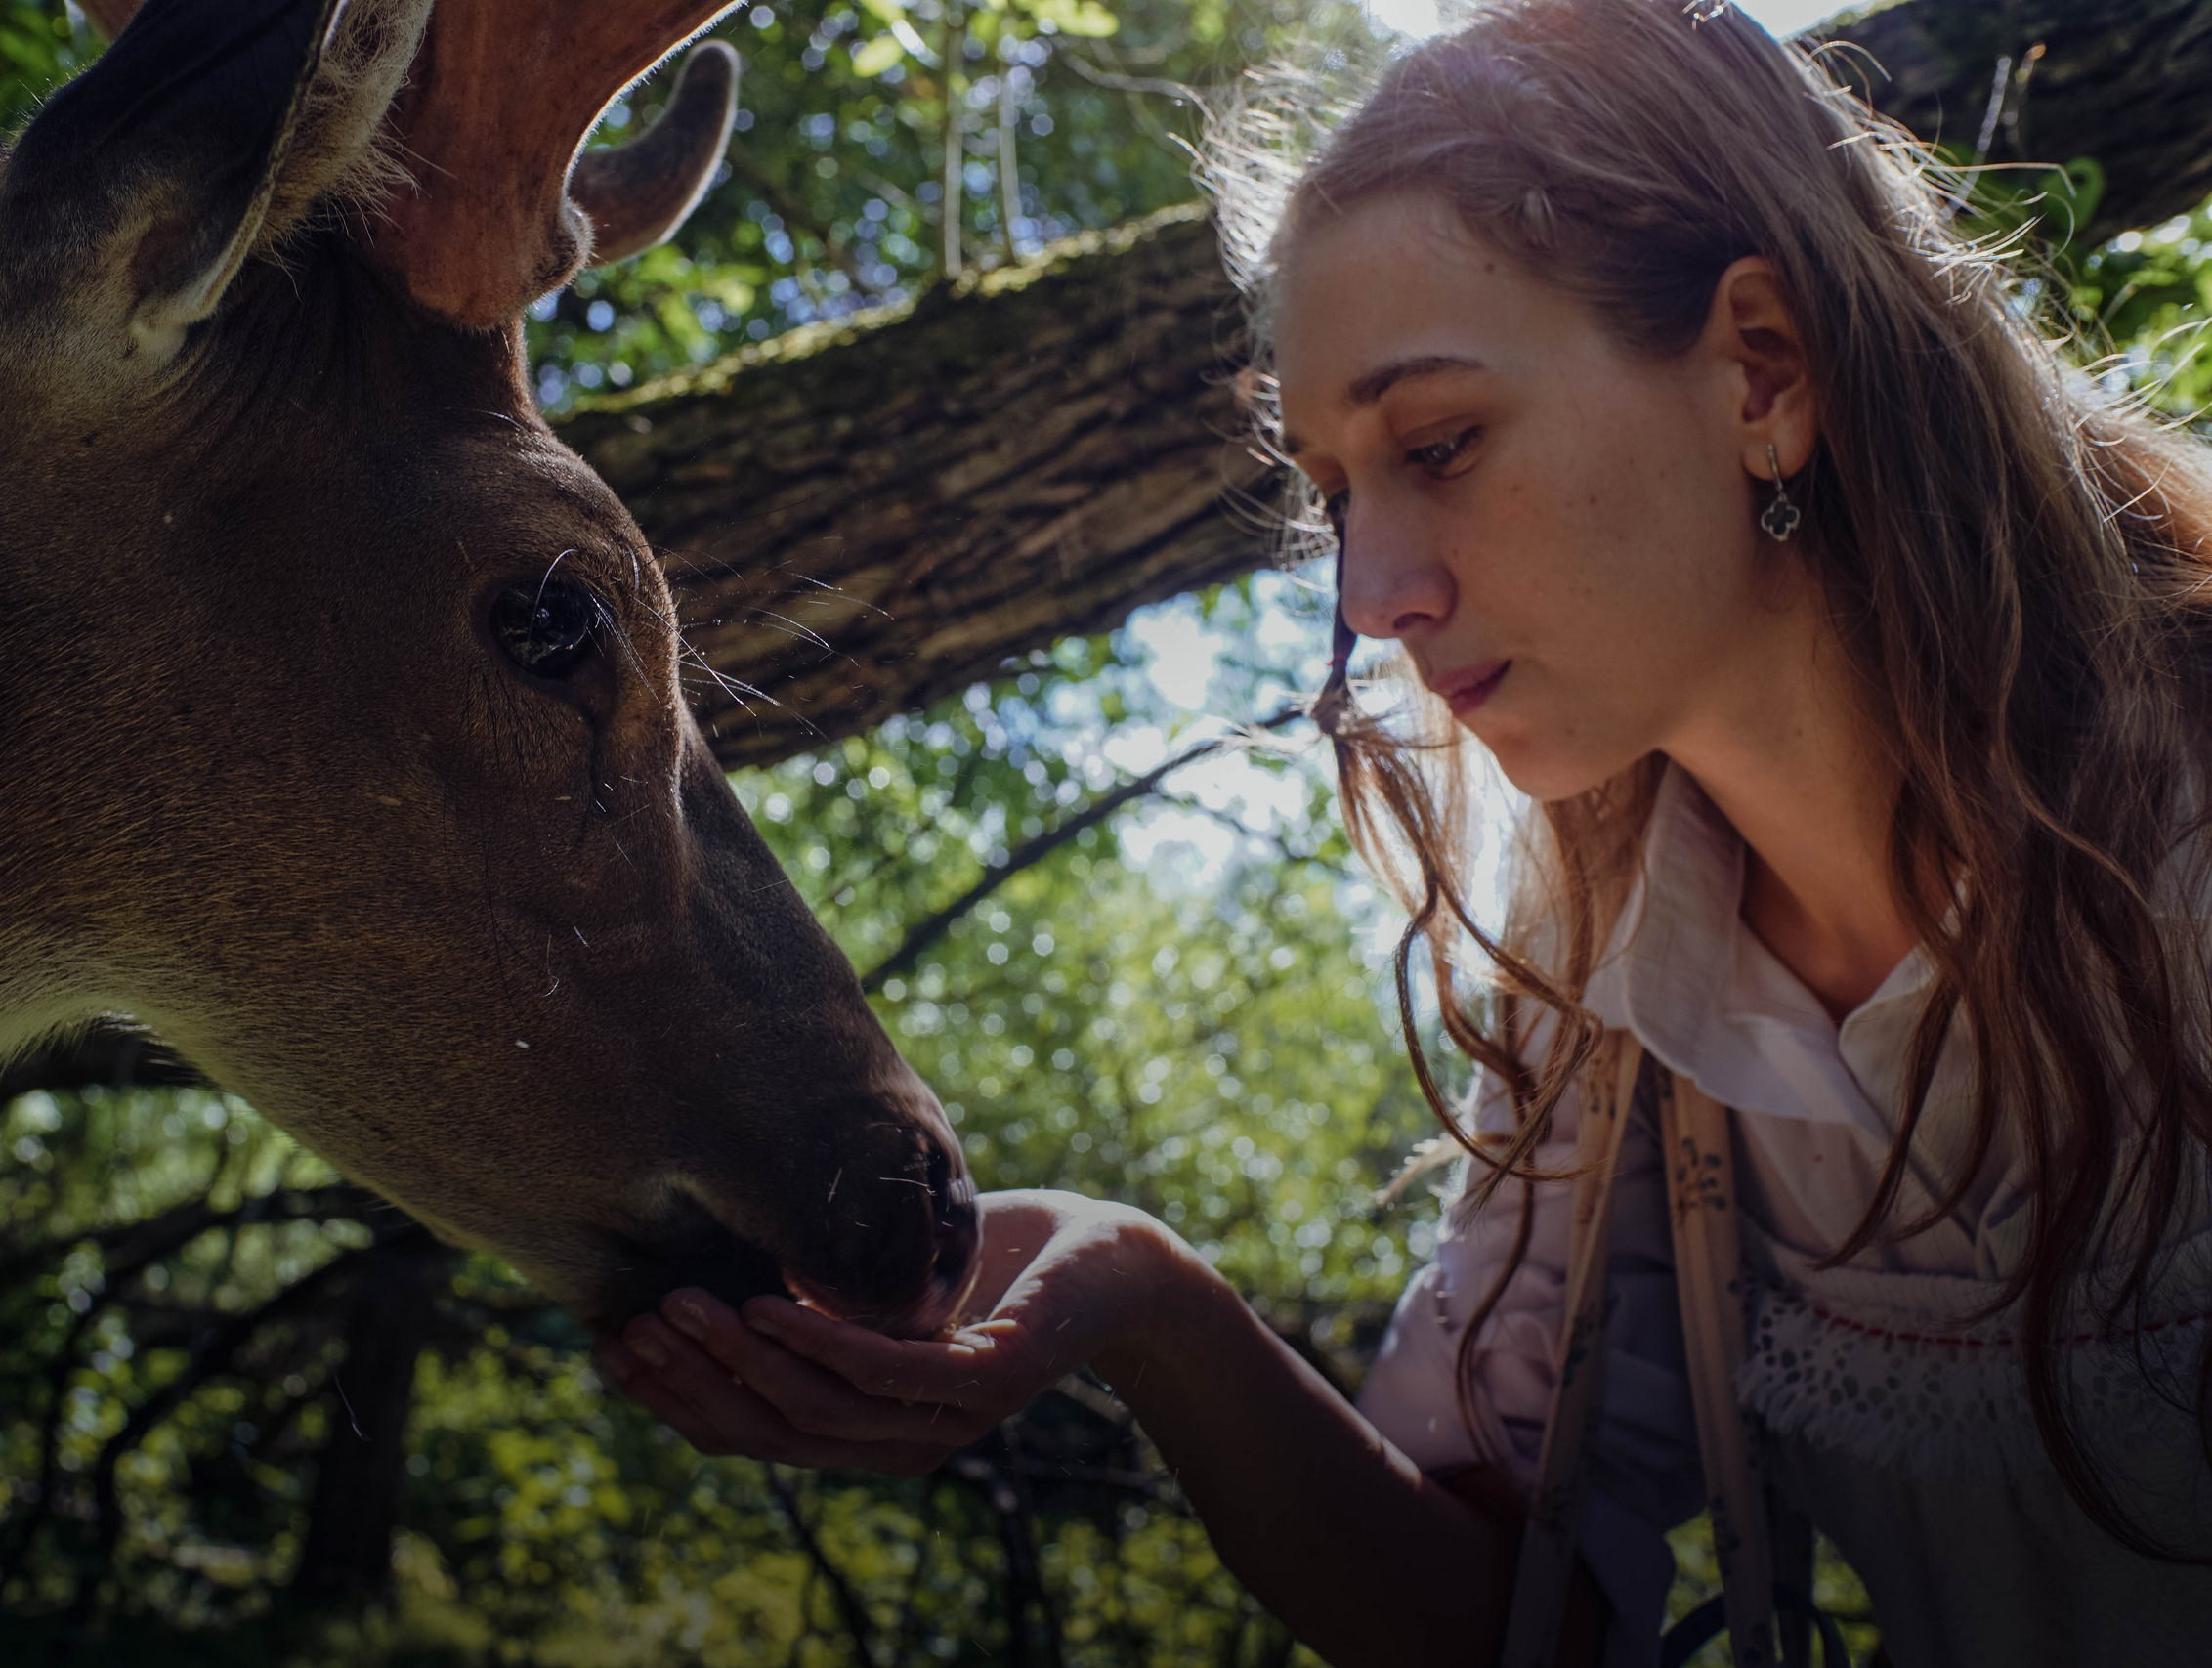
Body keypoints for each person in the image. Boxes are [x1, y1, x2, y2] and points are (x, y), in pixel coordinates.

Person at [589, 2, 2212, 1662]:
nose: (1370, 595)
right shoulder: (1606, 985)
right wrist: (1146, 1300)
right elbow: (1511, 1616)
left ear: (1763, 369)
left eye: (1440, 444)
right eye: (1337, 492)